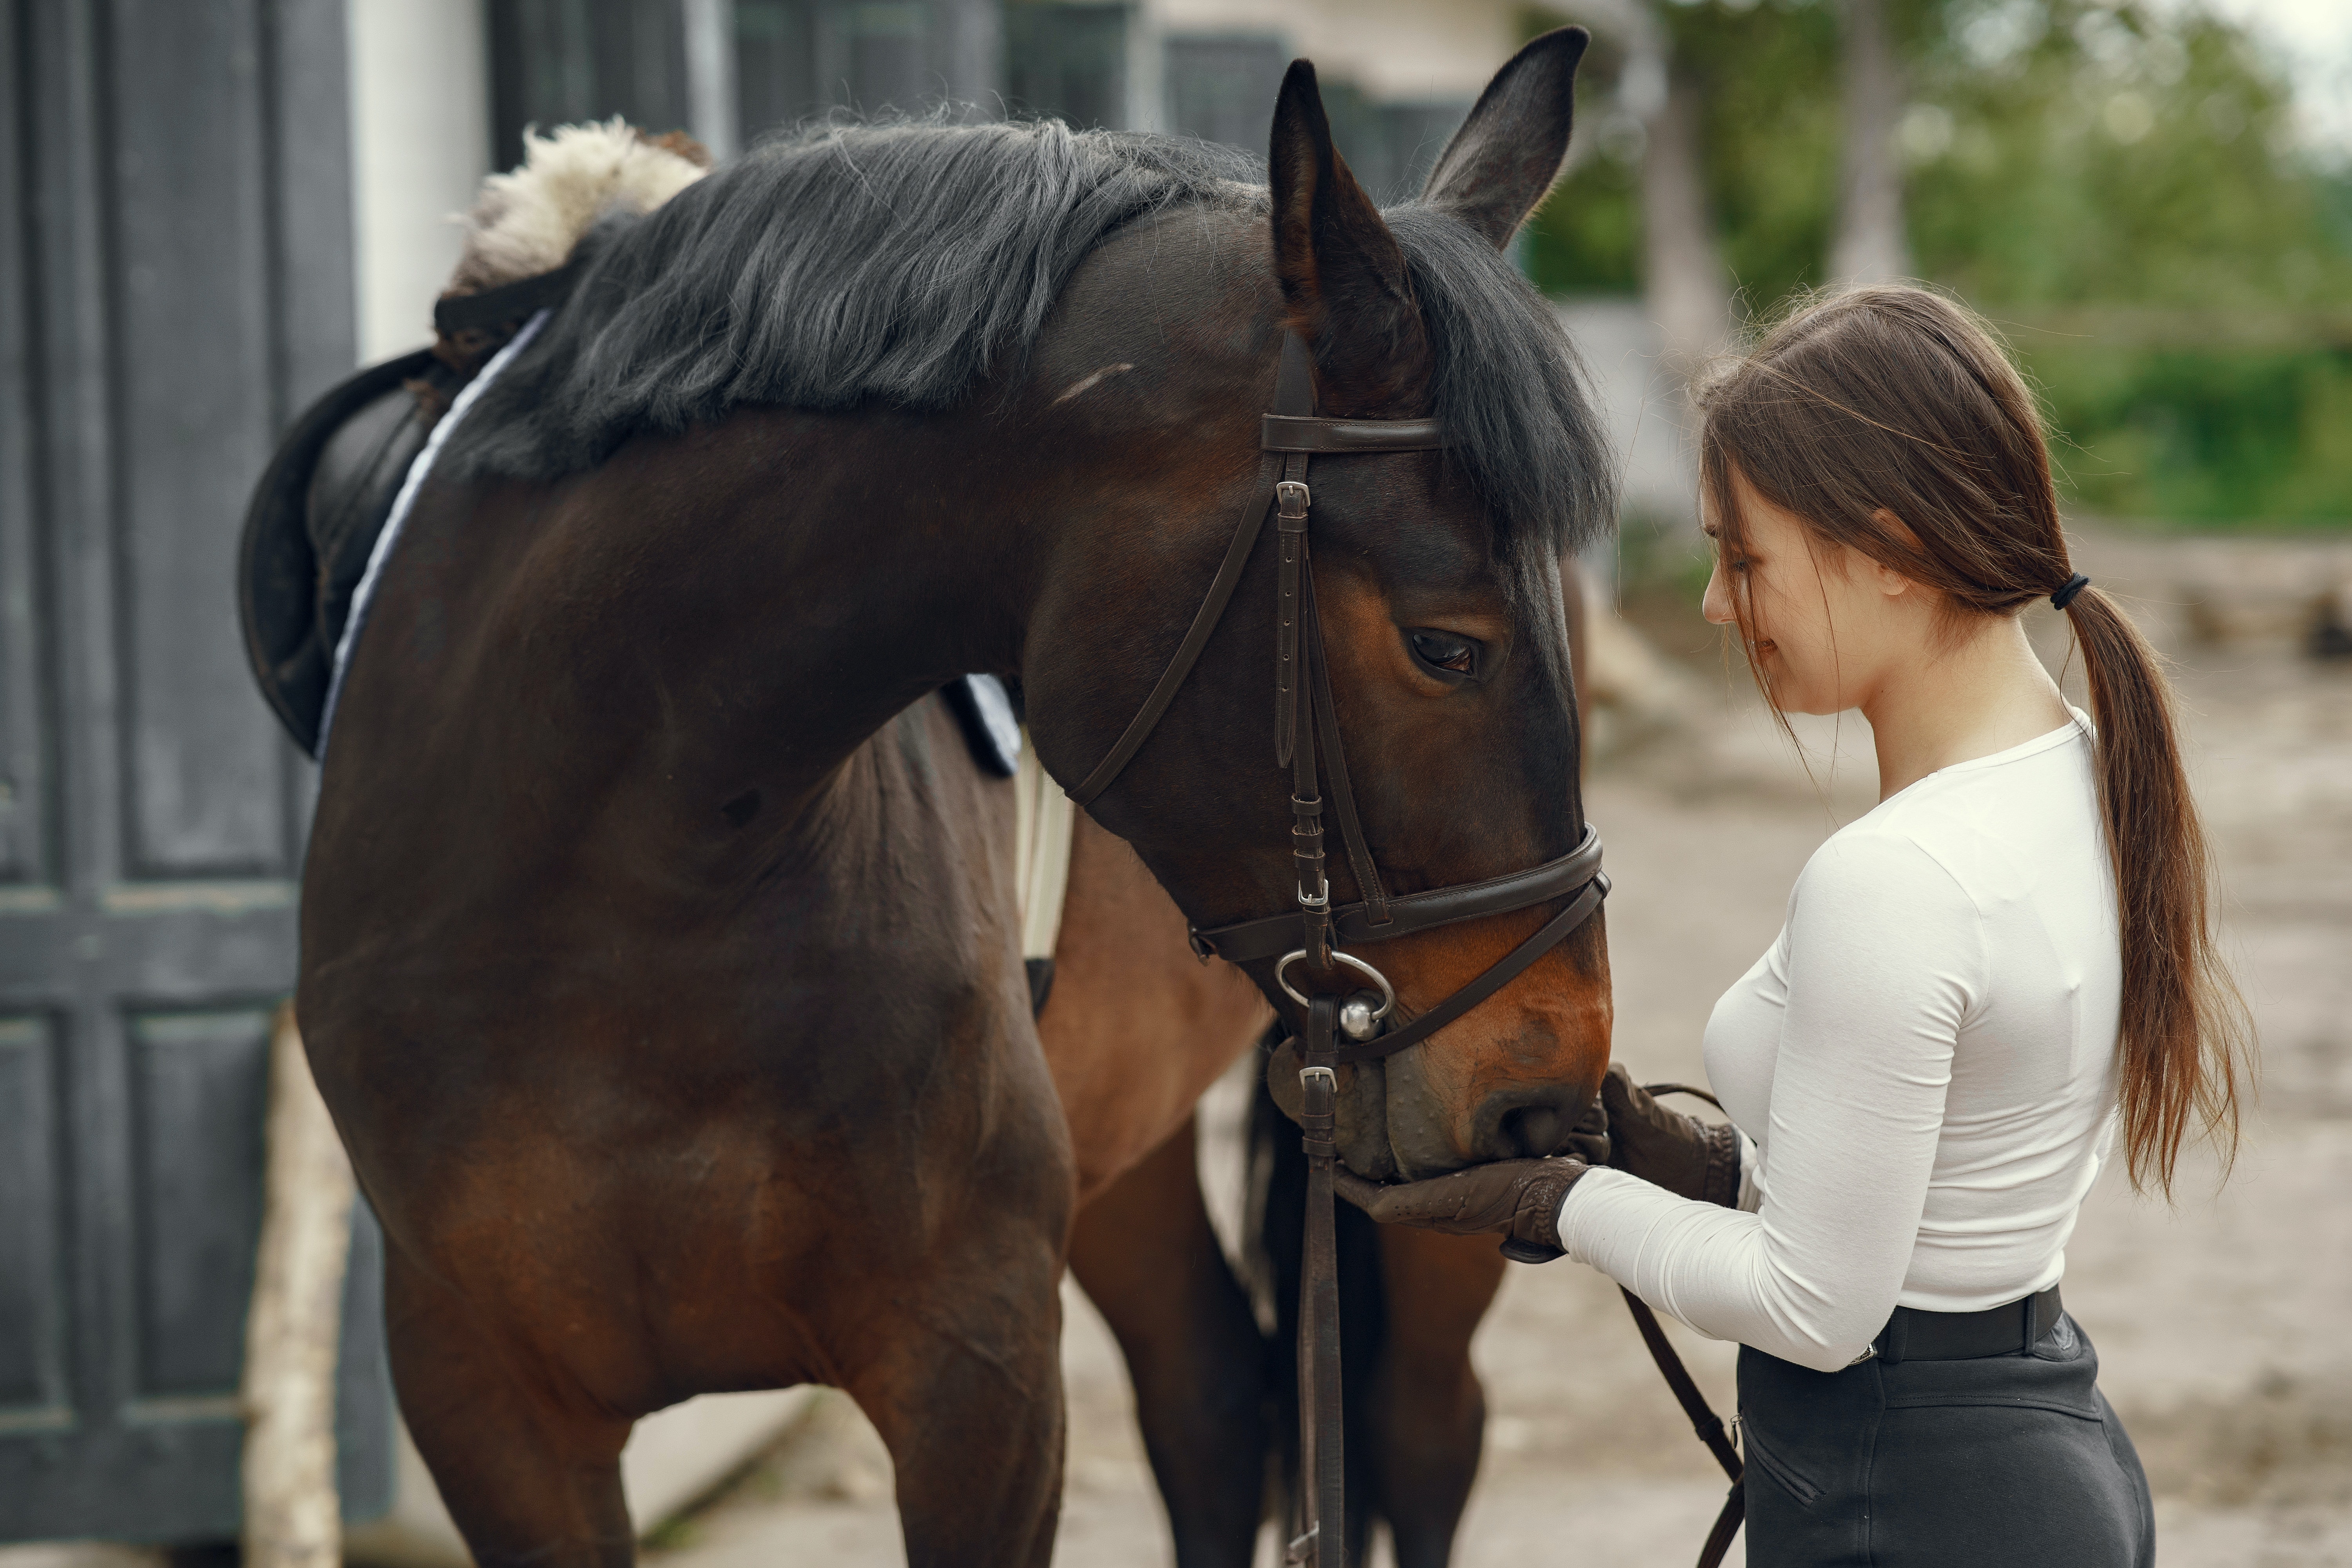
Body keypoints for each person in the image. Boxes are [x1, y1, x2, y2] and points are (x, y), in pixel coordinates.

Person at [1336, 285, 2251, 1567]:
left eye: (1744, 557)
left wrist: (1560, 1204)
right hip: (2021, 1451)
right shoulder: (2081, 774)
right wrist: (1698, 1168)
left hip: (1907, 1498)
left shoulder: (1901, 877)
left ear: (1885, 550)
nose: (1716, 604)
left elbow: (1816, 1307)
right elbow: (1932, 1197)